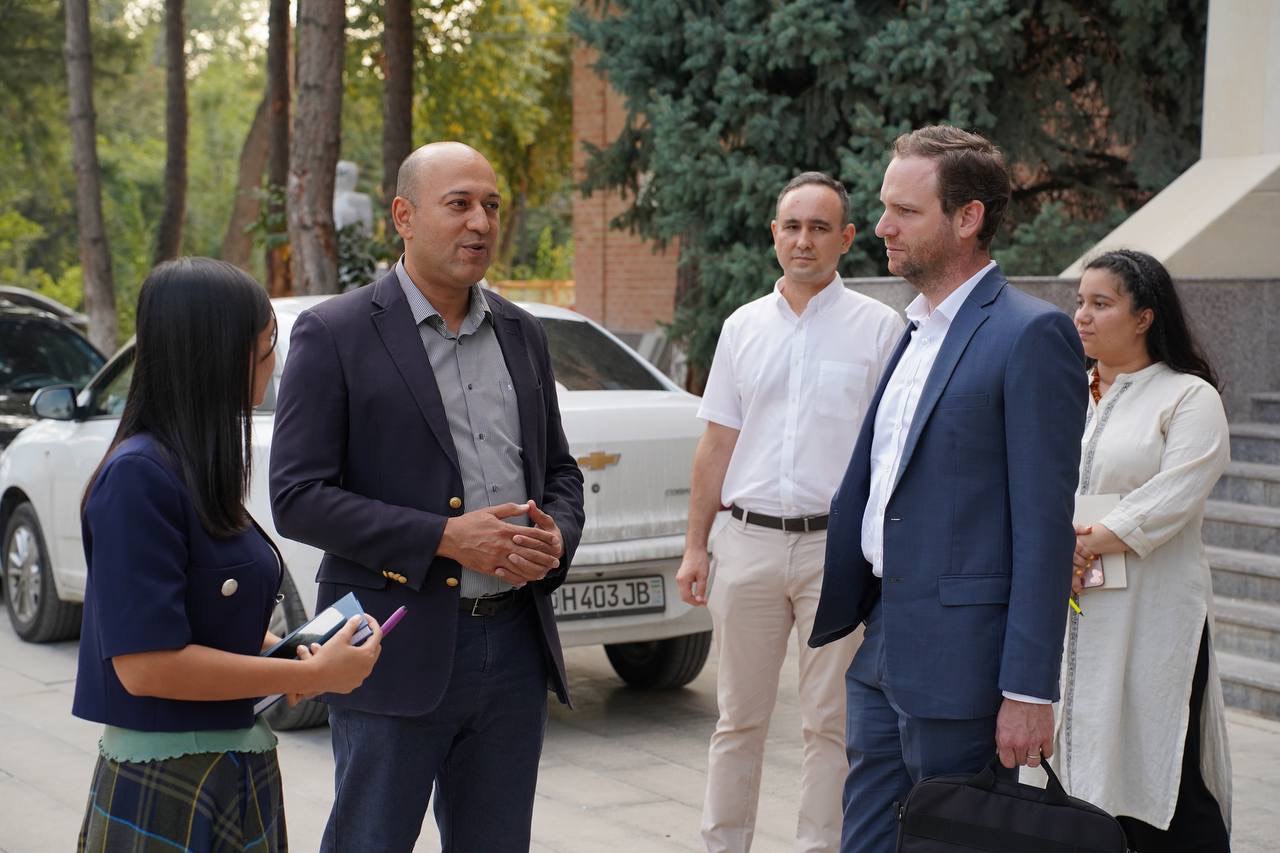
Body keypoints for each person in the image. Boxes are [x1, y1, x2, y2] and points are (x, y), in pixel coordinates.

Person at [269, 141, 585, 852]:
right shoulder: (335, 332)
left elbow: (560, 472)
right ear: (404, 216)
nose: (481, 222)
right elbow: (297, 496)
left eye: (491, 205)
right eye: (460, 204)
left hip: (514, 646)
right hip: (390, 644)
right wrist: (444, 538)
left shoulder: (522, 332)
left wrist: (557, 535)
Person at [808, 126, 1088, 853]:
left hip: (967, 666)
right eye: (884, 207)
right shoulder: (912, 331)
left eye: (905, 211)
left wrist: (1028, 689)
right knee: (866, 840)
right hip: (882, 641)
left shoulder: (1032, 334)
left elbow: (1043, 526)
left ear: (968, 218)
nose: (882, 226)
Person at [73, 257, 383, 852]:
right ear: (217, 355)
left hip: (234, 759)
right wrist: (305, 674)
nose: (274, 362)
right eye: (265, 345)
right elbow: (146, 664)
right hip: (168, 774)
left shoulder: (191, 467)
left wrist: (290, 653)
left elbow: (205, 619)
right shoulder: (138, 476)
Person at [678, 171, 904, 853]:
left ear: (847, 237)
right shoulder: (742, 327)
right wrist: (695, 545)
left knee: (830, 725)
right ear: (774, 233)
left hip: (836, 551)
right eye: (793, 226)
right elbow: (717, 443)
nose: (804, 240)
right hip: (746, 542)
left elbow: (892, 451)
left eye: (819, 227)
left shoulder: (880, 329)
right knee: (736, 720)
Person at [1054, 249, 1232, 851]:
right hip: (1070, 609)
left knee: (1160, 761)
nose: (1082, 315)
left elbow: (1174, 494)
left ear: (1144, 317)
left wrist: (1075, 547)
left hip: (1154, 613)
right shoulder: (1064, 393)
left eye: (1101, 304)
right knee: (1076, 754)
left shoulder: (1188, 397)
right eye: (1080, 302)